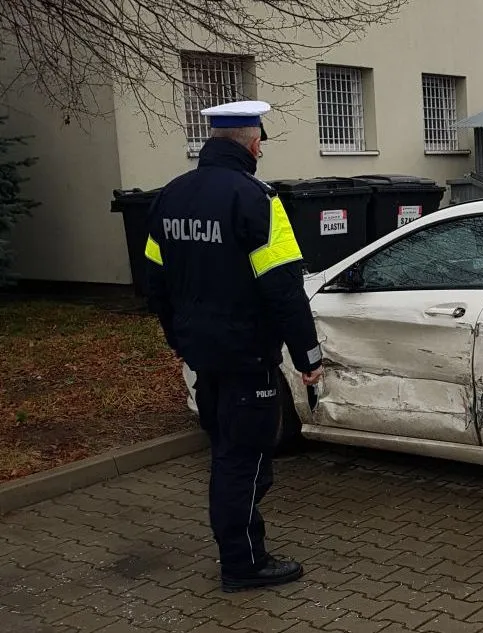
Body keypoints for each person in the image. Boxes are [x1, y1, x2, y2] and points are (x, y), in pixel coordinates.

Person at [143, 100, 324, 593]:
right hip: (248, 357)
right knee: (243, 462)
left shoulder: (171, 196)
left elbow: (155, 281)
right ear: (253, 142)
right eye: (261, 142)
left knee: (227, 452)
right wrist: (308, 356)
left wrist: (177, 339)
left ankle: (239, 551)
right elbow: (283, 289)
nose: (261, 150)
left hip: (204, 358)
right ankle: (243, 563)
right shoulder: (257, 200)